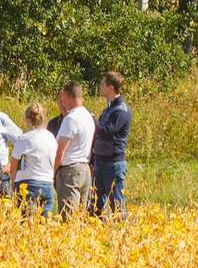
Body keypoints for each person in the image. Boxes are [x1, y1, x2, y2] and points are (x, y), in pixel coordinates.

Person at [90, 70, 131, 214]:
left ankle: (123, 234)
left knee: (117, 207)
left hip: (113, 164)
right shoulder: (109, 108)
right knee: (94, 206)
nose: (99, 86)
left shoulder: (121, 110)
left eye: (102, 84)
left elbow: (105, 132)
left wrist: (93, 118)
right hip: (100, 163)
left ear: (111, 87)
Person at [51, 81, 95, 216]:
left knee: (68, 216)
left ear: (67, 97)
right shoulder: (88, 116)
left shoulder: (71, 118)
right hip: (84, 168)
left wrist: (51, 173)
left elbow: (60, 152)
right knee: (79, 216)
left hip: (70, 171)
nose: (63, 103)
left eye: (63, 99)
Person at [10, 103, 57, 216]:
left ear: (27, 120)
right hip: (47, 182)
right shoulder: (50, 137)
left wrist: (13, 182)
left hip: (29, 183)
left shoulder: (25, 138)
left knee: (29, 223)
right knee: (45, 224)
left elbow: (14, 163)